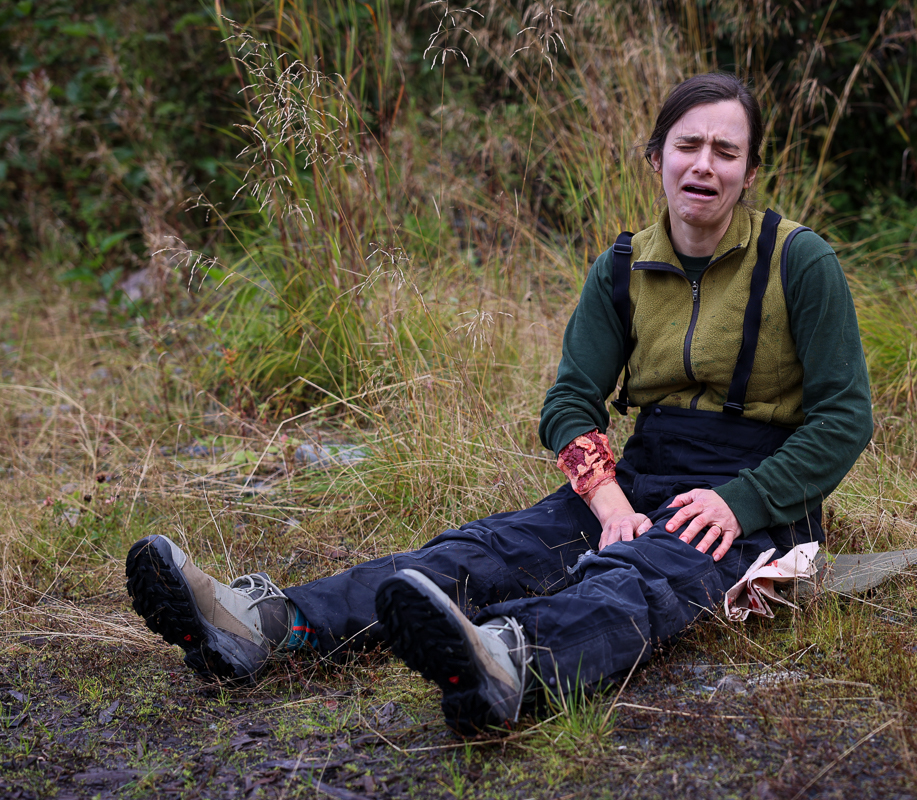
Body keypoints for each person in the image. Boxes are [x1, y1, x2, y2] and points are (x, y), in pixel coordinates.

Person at [126, 73, 873, 736]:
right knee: (478, 553)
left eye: (726, 151)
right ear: (656, 157)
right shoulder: (620, 268)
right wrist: (610, 504)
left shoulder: (798, 260)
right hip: (640, 476)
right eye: (688, 145)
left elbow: (845, 417)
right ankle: (265, 625)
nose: (704, 165)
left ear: (748, 172)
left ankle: (507, 657)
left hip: (753, 492)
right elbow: (571, 402)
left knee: (638, 579)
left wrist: (743, 502)